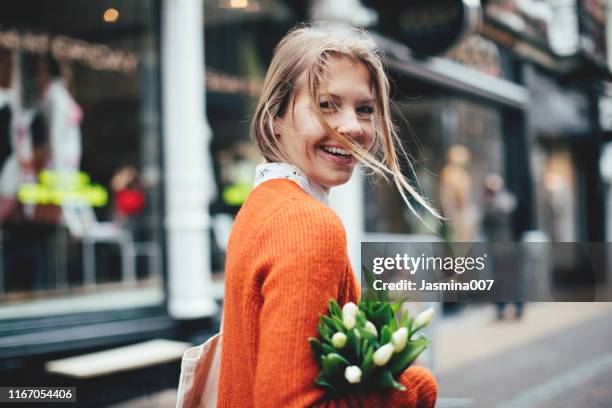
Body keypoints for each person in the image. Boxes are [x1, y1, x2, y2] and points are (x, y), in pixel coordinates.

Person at [211, 24, 439, 407]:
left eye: (364, 109)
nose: (351, 126)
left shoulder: (264, 205)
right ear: (275, 118)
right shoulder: (306, 224)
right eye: (326, 105)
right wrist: (414, 389)